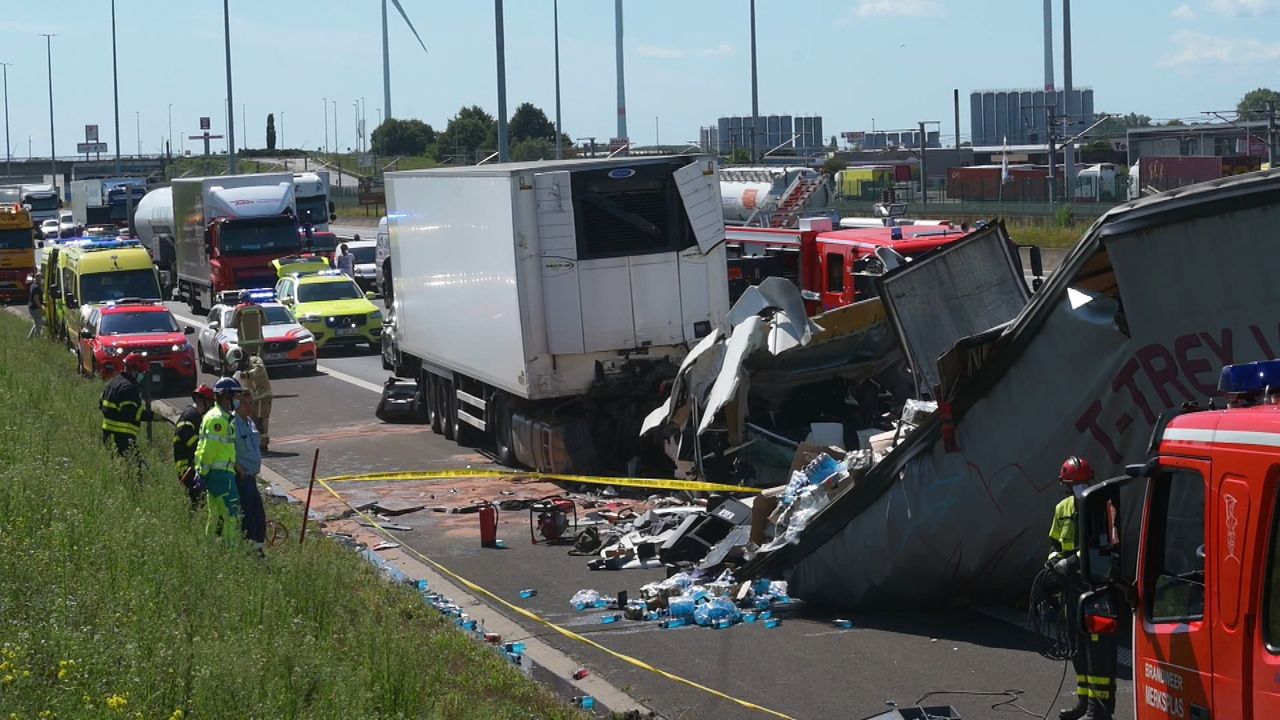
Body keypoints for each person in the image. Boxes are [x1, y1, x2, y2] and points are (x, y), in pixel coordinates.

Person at [1049, 456, 1116, 720]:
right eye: (1074, 484)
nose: (1078, 488)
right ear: (1065, 486)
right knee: (1077, 647)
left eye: (1083, 483)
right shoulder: (1062, 508)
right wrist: (1054, 566)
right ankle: (1084, 703)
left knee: (1097, 649)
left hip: (1096, 586)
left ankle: (1099, 711)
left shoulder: (1102, 507)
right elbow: (1054, 543)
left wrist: (1074, 561)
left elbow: (1106, 545)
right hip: (1072, 588)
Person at [196, 378, 242, 539]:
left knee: (214, 515)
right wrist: (203, 472)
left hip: (216, 474)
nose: (237, 400)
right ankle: (232, 553)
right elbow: (209, 450)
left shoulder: (217, 416)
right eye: (235, 396)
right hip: (221, 475)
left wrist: (202, 473)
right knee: (232, 516)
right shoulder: (218, 420)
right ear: (225, 396)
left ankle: (209, 550)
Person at [233, 394, 268, 556]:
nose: (249, 407)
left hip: (251, 477)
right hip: (241, 477)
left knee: (259, 515)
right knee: (248, 516)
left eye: (251, 403)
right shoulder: (232, 424)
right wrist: (235, 466)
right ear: (236, 404)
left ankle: (258, 549)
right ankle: (250, 552)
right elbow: (225, 448)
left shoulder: (249, 422)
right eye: (244, 403)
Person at [99, 353, 153, 457]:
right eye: (141, 372)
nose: (142, 375)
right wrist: (155, 417)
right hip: (122, 438)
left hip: (108, 435)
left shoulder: (113, 382)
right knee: (134, 470)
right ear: (134, 370)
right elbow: (133, 414)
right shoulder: (129, 389)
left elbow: (101, 403)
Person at [174, 384, 214, 508]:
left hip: (191, 466)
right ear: (204, 401)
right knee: (196, 501)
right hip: (186, 467)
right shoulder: (190, 416)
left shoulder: (194, 416)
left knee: (197, 500)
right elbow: (192, 442)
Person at [236, 349, 274, 451]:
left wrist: (248, 374)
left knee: (261, 420)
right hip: (255, 398)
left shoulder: (254, 360)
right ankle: (258, 443)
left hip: (263, 396)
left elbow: (259, 369)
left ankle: (263, 445)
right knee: (254, 420)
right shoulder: (244, 368)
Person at [231, 291, 265, 358]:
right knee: (258, 360)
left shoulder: (239, 309)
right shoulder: (259, 308)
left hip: (244, 342)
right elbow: (264, 322)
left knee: (245, 361)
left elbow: (233, 324)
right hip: (258, 340)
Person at [27, 271, 43, 339]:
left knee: (36, 323)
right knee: (39, 325)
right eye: (40, 277)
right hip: (35, 308)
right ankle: (37, 339)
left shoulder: (32, 285)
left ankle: (29, 338)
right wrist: (41, 307)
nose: (41, 279)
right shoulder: (36, 287)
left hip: (31, 307)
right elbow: (36, 299)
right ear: (37, 278)